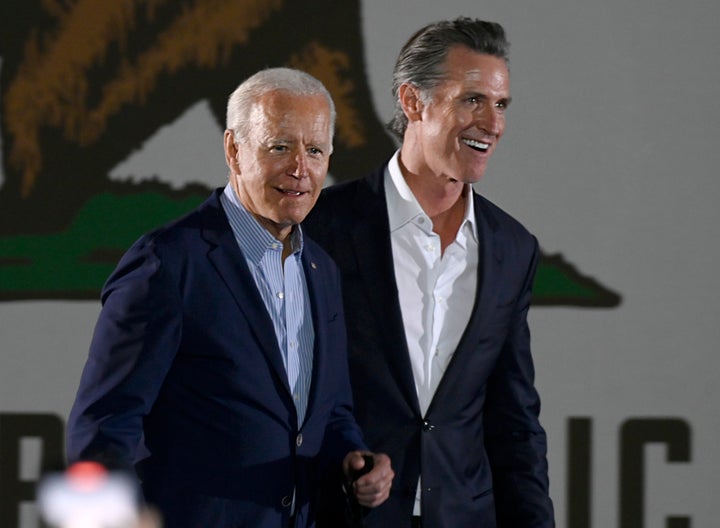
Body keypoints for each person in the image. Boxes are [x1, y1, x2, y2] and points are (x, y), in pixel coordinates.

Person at [66, 67, 393, 528]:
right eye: (280, 147)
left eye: (315, 150)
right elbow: (101, 429)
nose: (300, 168)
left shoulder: (322, 271)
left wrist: (355, 464)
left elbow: (331, 412)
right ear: (234, 150)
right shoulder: (168, 263)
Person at [304, 18, 554, 527]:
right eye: (472, 100)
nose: (493, 123)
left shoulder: (512, 248)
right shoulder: (322, 228)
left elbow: (514, 421)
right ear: (413, 102)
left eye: (500, 104)